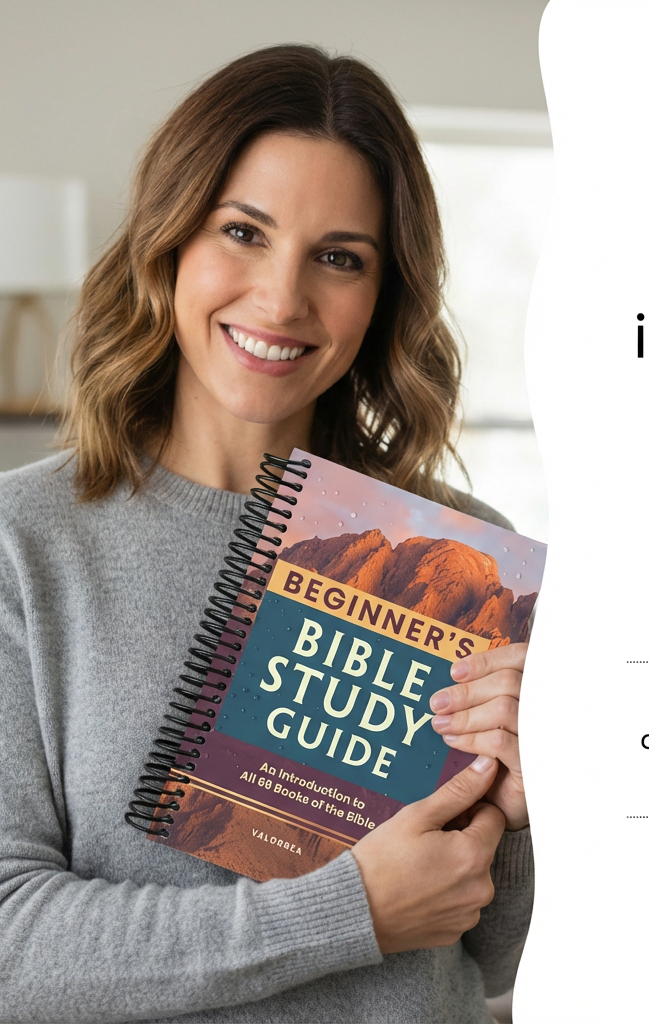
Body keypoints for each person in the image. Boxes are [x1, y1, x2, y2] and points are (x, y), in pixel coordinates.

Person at [0, 45, 532, 1023]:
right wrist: (351, 909)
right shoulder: (21, 544)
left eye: (339, 257)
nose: (283, 300)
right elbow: (10, 945)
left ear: (384, 296)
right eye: (243, 232)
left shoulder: (465, 553)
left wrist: (536, 787)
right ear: (166, 245)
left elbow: (500, 955)